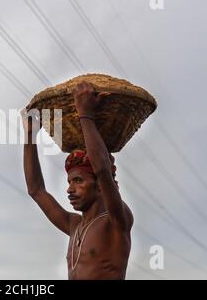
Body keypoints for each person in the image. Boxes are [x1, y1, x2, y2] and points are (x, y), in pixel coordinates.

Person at [22, 82, 133, 279]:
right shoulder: (74, 225)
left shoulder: (116, 219)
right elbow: (36, 191)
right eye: (69, 182)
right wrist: (30, 135)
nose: (69, 189)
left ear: (99, 185)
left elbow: (102, 169)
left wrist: (86, 115)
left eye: (78, 181)